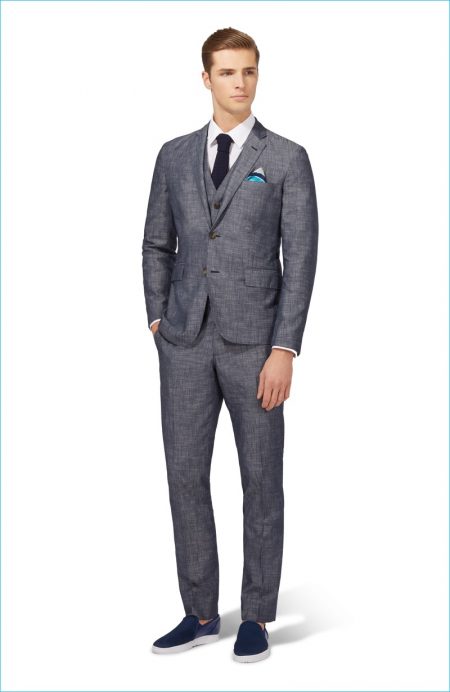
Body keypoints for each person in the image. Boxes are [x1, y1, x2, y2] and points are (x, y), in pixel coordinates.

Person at [142, 26, 319, 663]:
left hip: (256, 347)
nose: (239, 83)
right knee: (184, 477)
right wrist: (158, 321)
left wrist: (284, 349)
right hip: (185, 341)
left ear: (257, 76)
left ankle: (258, 615)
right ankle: (199, 612)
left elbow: (300, 260)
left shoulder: (287, 158)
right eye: (226, 72)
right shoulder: (173, 155)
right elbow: (156, 243)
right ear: (206, 78)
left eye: (248, 71)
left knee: (261, 479)